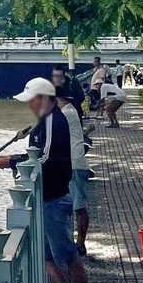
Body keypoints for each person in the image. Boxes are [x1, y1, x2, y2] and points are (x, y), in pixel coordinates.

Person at [0, 77, 95, 283]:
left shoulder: (51, 120)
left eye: (31, 100)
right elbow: (38, 155)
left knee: (69, 256)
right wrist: (14, 157)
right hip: (48, 197)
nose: (29, 105)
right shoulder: (46, 120)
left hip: (54, 198)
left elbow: (45, 158)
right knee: (44, 255)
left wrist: (13, 162)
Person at [56, 85, 95, 256]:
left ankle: (80, 243)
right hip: (70, 164)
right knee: (72, 205)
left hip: (74, 165)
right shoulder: (70, 111)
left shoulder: (66, 114)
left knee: (78, 206)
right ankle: (75, 241)